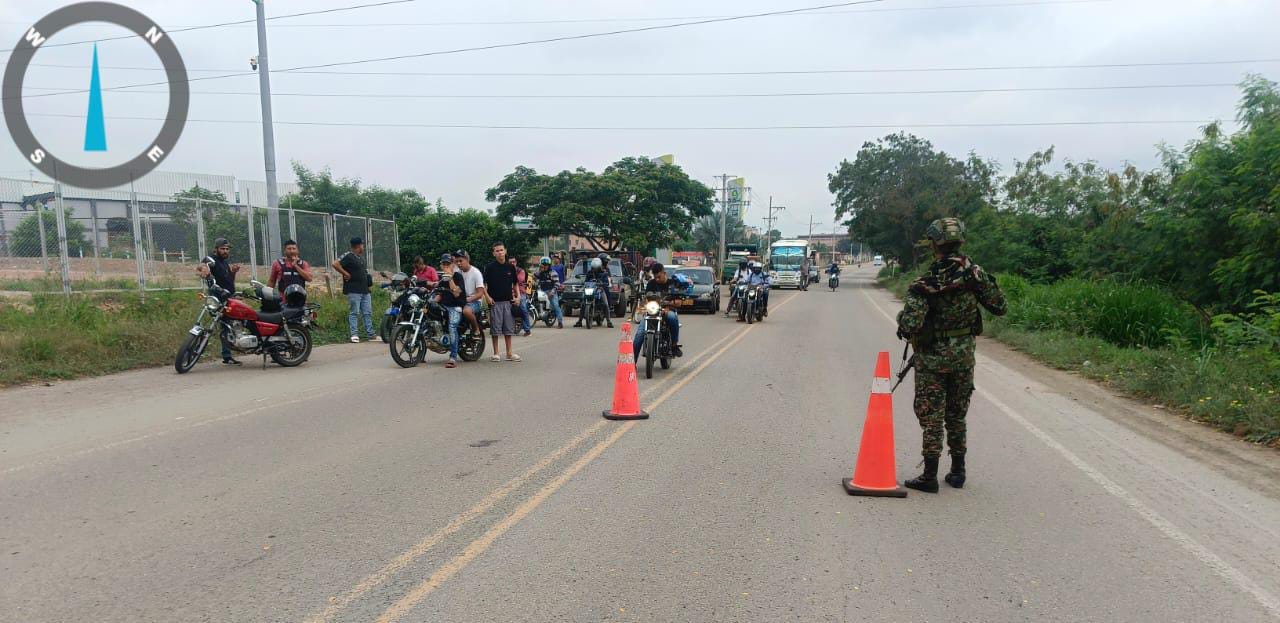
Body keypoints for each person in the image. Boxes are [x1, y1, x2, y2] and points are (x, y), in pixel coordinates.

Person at [896, 217, 1007, 493]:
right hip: (963, 358)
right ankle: (958, 472)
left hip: (932, 359)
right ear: (962, 241)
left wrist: (903, 319)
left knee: (931, 415)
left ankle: (929, 476)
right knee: (956, 414)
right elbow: (1000, 306)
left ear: (934, 244)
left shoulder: (925, 283)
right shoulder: (975, 275)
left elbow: (910, 324)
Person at [195, 237, 242, 365]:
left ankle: (229, 353)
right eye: (222, 249)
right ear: (216, 249)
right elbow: (203, 264)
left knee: (229, 326)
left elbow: (228, 281)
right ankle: (197, 348)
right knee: (222, 326)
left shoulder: (225, 263)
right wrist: (203, 268)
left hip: (228, 297)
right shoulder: (212, 259)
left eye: (227, 249)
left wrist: (233, 272)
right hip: (217, 299)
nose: (225, 251)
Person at [632, 263, 683, 359]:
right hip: (652, 312)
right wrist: (643, 306)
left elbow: (679, 302)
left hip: (668, 311)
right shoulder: (651, 284)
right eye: (655, 277)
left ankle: (674, 345)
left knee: (672, 317)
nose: (657, 279)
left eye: (659, 277)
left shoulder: (672, 284)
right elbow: (646, 299)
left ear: (664, 273)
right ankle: (632, 362)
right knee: (640, 334)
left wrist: (669, 306)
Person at [332, 237, 377, 343]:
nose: (363, 247)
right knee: (354, 312)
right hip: (354, 290)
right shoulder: (348, 256)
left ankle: (371, 334)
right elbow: (335, 264)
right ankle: (354, 334)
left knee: (367, 312)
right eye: (362, 245)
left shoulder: (360, 258)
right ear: (358, 245)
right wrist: (345, 273)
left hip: (365, 290)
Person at [483, 242, 521, 362]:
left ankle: (509, 353)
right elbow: (484, 285)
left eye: (501, 250)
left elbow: (515, 284)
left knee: (508, 329)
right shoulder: (489, 267)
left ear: (505, 251)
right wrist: (487, 297)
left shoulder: (510, 267)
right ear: (493, 253)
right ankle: (496, 353)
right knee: (495, 329)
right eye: (497, 251)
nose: (499, 252)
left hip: (508, 302)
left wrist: (518, 297)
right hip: (495, 302)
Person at [433, 253, 467, 368]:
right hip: (444, 306)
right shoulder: (442, 278)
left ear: (453, 265)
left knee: (452, 327)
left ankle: (453, 356)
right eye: (444, 264)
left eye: (448, 264)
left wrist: (450, 278)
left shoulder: (458, 276)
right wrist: (431, 300)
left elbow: (457, 293)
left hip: (456, 307)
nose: (446, 266)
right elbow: (439, 294)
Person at [574, 256, 614, 329]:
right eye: (594, 268)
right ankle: (579, 321)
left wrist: (603, 284)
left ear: (599, 266)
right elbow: (586, 280)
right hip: (590, 290)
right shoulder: (589, 273)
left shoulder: (604, 273)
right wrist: (583, 283)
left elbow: (606, 282)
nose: (595, 269)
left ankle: (609, 321)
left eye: (596, 268)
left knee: (605, 304)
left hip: (599, 290)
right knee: (583, 303)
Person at [453, 249, 485, 336]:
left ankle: (476, 328)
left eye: (461, 261)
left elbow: (480, 293)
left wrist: (467, 299)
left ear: (467, 259)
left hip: (474, 301)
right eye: (457, 261)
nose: (459, 263)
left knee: (466, 311)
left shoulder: (476, 273)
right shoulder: (457, 272)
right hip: (460, 300)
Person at [534, 256, 564, 329]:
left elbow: (557, 283)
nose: (545, 266)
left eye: (546, 265)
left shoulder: (553, 273)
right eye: (543, 264)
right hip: (540, 291)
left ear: (549, 265)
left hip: (550, 291)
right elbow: (534, 277)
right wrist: (540, 270)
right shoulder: (540, 272)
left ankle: (560, 322)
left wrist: (552, 292)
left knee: (555, 305)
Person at [509, 255, 533, 336]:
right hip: (509, 293)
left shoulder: (520, 271)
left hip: (521, 293)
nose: (512, 263)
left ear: (516, 262)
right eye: (510, 262)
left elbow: (519, 280)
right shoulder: (506, 270)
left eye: (514, 262)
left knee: (523, 309)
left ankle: (527, 329)